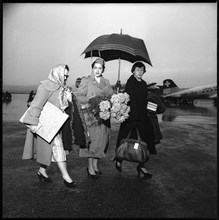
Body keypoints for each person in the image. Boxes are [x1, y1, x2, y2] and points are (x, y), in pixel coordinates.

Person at [21, 64, 77, 188]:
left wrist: (69, 100)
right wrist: (33, 123)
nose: (66, 78)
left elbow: (64, 108)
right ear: (57, 73)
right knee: (58, 148)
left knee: (50, 150)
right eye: (64, 75)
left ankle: (42, 171)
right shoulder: (45, 86)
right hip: (46, 125)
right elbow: (36, 104)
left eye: (67, 76)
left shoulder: (63, 88)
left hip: (57, 125)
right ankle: (66, 176)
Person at [114, 61, 164, 179]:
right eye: (137, 70)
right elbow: (128, 99)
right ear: (133, 71)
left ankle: (141, 166)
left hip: (143, 117)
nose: (140, 72)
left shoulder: (144, 83)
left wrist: (152, 109)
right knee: (124, 140)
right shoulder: (130, 82)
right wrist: (119, 92)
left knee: (144, 142)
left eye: (142, 70)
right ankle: (119, 160)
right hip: (131, 118)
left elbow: (144, 100)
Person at [75, 58, 113, 178]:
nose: (97, 70)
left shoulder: (106, 82)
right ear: (92, 68)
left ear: (103, 69)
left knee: (102, 142)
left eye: (100, 68)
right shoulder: (86, 81)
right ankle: (90, 167)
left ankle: (96, 165)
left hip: (103, 116)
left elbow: (110, 96)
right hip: (91, 117)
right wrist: (91, 100)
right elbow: (78, 97)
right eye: (95, 68)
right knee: (93, 143)